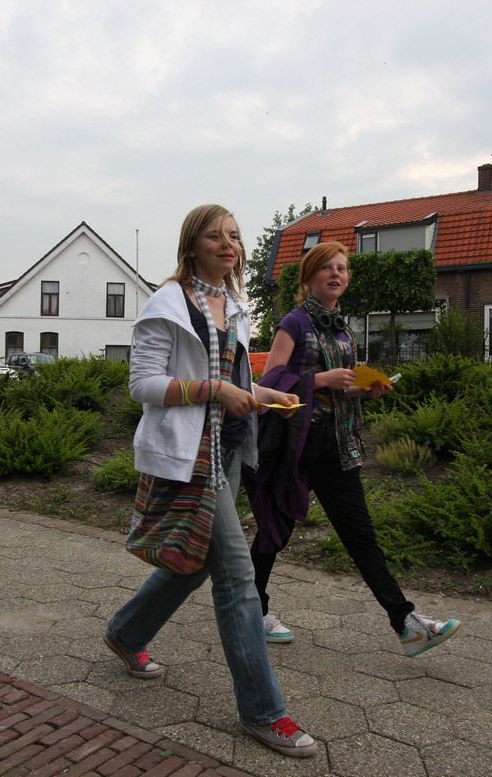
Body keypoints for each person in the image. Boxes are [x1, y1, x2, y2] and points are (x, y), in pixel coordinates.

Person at [104, 204, 316, 758]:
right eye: (215, 236)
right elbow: (143, 384)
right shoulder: (168, 303)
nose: (229, 245)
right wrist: (214, 391)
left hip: (228, 451)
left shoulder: (236, 306)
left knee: (196, 561)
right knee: (238, 576)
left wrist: (266, 395)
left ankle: (126, 632)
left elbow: (231, 378)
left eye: (235, 237)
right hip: (188, 454)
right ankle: (263, 712)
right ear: (192, 246)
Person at [244, 240, 461, 656]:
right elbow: (269, 382)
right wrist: (320, 380)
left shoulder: (343, 329)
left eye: (342, 268)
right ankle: (252, 609)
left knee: (361, 536)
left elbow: (341, 389)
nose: (336, 274)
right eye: (327, 267)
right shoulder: (294, 322)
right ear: (309, 277)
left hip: (339, 444)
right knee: (276, 530)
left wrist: (364, 388)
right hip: (298, 443)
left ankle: (407, 624)